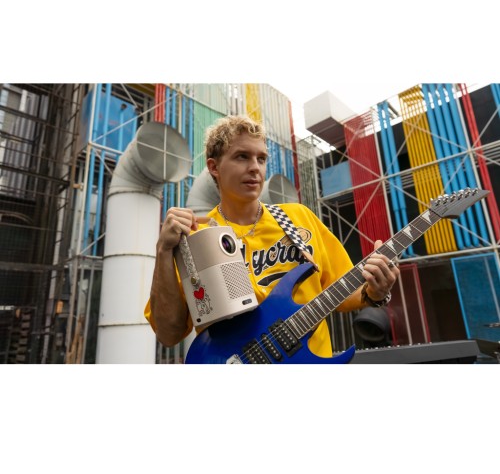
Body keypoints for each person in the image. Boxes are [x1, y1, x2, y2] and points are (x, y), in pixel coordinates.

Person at [144, 115, 399, 358]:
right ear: (214, 167)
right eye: (242, 157)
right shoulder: (195, 239)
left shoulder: (299, 218)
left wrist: (374, 292)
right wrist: (163, 250)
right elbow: (168, 333)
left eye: (261, 159)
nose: (255, 168)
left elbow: (343, 291)